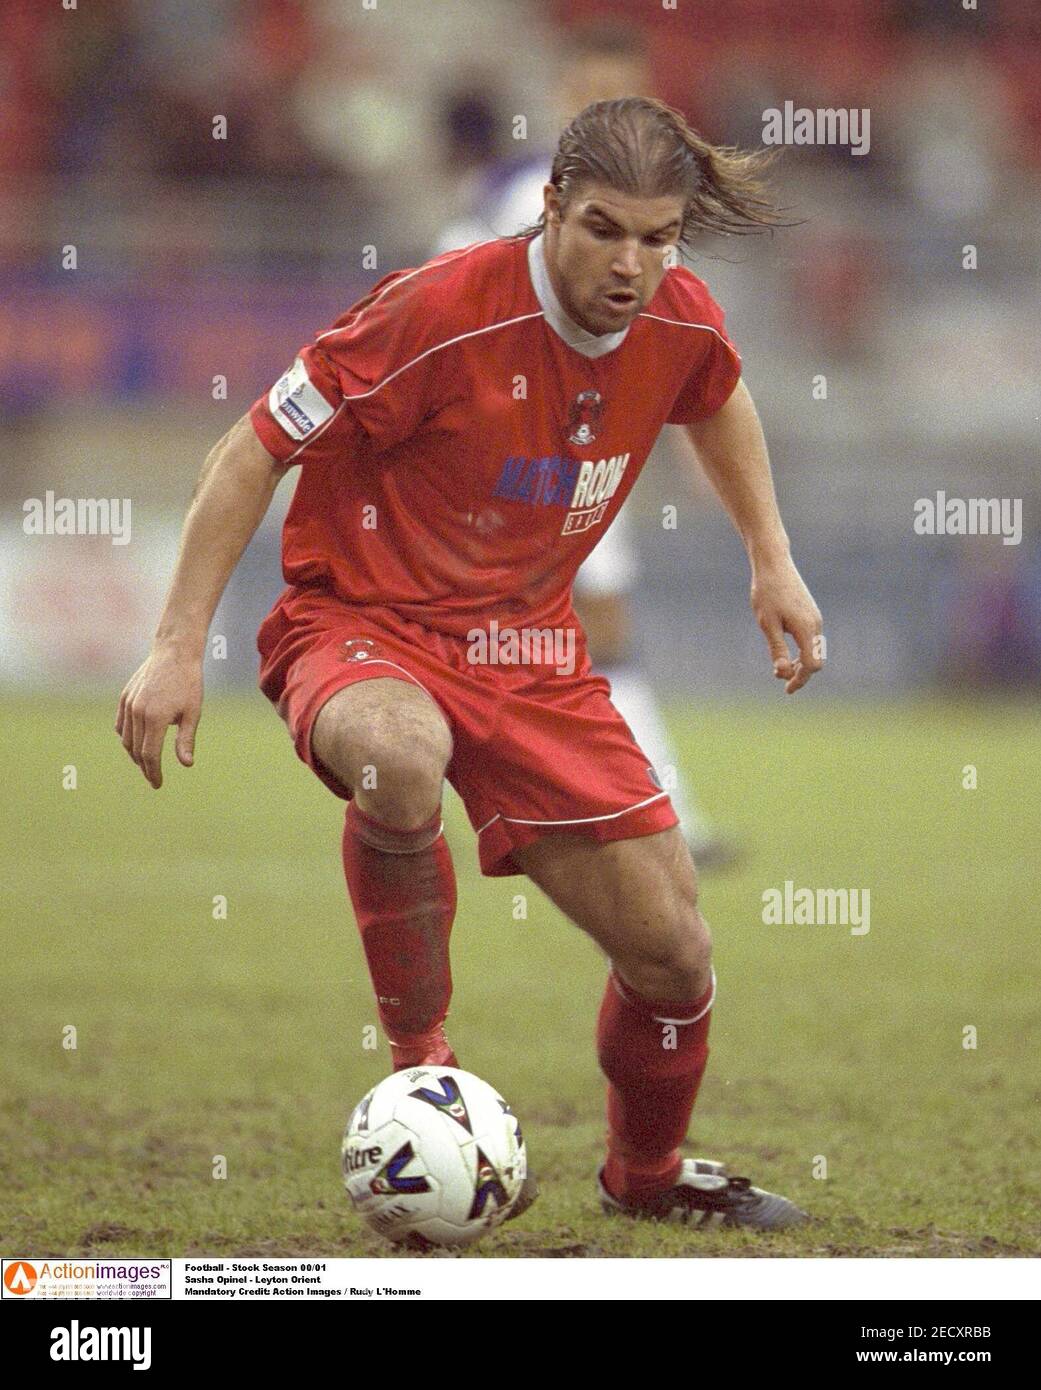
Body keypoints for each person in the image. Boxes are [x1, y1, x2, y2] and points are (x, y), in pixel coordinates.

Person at [116, 97, 823, 1231]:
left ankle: (645, 1177)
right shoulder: (435, 312)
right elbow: (252, 448)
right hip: (363, 624)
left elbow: (720, 394)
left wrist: (771, 562)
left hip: (531, 653)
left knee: (675, 954)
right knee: (400, 757)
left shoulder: (681, 318)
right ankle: (423, 1075)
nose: (632, 263)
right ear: (549, 210)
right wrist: (170, 646)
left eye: (658, 236)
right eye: (604, 229)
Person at [436, 19, 741, 868]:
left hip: (585, 454)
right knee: (549, 633)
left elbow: (672, 343)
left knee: (586, 633)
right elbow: (443, 310)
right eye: (591, 91)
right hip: (522, 458)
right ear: (562, 96)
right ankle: (635, 814)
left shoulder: (640, 203)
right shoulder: (521, 193)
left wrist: (686, 442)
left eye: (624, 93)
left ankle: (645, 812)